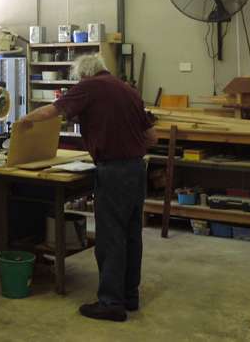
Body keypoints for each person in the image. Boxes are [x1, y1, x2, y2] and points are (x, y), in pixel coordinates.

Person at [18, 54, 157, 322]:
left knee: (111, 238)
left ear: (83, 75)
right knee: (130, 234)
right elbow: (152, 137)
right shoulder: (128, 91)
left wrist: (24, 122)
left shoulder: (88, 86)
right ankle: (129, 297)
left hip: (114, 171)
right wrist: (126, 146)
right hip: (137, 168)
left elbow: (51, 111)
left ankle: (110, 304)